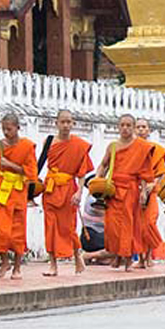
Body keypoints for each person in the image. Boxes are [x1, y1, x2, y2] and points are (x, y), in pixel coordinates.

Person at [0, 114, 38, 280]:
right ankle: (5, 261)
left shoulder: (27, 146)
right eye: (4, 129)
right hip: (1, 191)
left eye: (9, 129)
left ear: (17, 127)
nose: (6, 132)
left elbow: (31, 173)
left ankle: (17, 267)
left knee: (17, 231)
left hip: (18, 191)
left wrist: (11, 165)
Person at [96, 114, 153, 272]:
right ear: (118, 127)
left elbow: (144, 171)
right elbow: (103, 165)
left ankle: (128, 258)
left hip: (130, 189)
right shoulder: (113, 146)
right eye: (122, 125)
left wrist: (143, 192)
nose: (125, 128)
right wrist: (97, 180)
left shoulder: (141, 146)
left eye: (129, 125)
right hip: (113, 190)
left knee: (128, 224)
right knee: (112, 226)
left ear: (134, 127)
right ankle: (118, 255)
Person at [42, 109, 92, 277]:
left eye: (68, 122)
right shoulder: (49, 142)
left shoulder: (79, 145)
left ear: (73, 124)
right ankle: (53, 264)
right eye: (62, 122)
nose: (65, 125)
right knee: (50, 227)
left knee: (68, 227)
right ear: (56, 123)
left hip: (68, 191)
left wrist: (79, 193)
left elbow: (82, 172)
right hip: (50, 189)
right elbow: (40, 164)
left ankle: (78, 256)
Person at [136, 119, 165, 268]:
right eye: (138, 127)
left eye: (144, 127)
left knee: (149, 223)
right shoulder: (130, 149)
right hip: (134, 191)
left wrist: (153, 183)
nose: (141, 130)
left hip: (151, 192)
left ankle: (148, 257)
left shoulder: (156, 149)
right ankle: (141, 259)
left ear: (148, 130)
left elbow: (161, 172)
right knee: (137, 226)